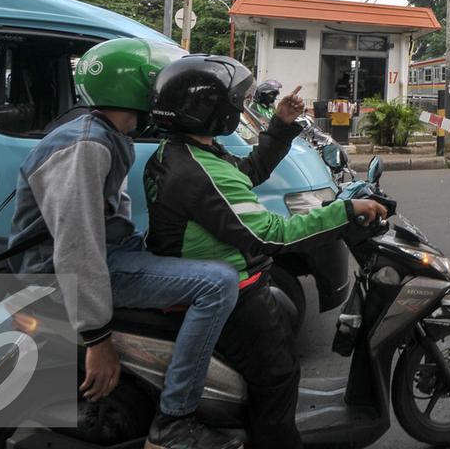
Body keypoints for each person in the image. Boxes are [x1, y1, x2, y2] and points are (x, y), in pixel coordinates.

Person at [144, 54, 389, 449]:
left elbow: (249, 172)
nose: (238, 108)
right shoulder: (199, 170)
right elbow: (271, 235)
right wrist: (343, 213)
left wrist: (281, 125)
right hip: (233, 287)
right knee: (278, 374)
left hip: (227, 274)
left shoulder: (186, 152)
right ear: (211, 110)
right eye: (234, 103)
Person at [7, 38, 242, 449]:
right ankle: (175, 420)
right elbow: (77, 245)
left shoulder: (108, 133)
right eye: (156, 82)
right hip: (54, 270)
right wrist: (98, 340)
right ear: (136, 87)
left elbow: (114, 216)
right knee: (216, 283)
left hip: (107, 253)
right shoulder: (87, 144)